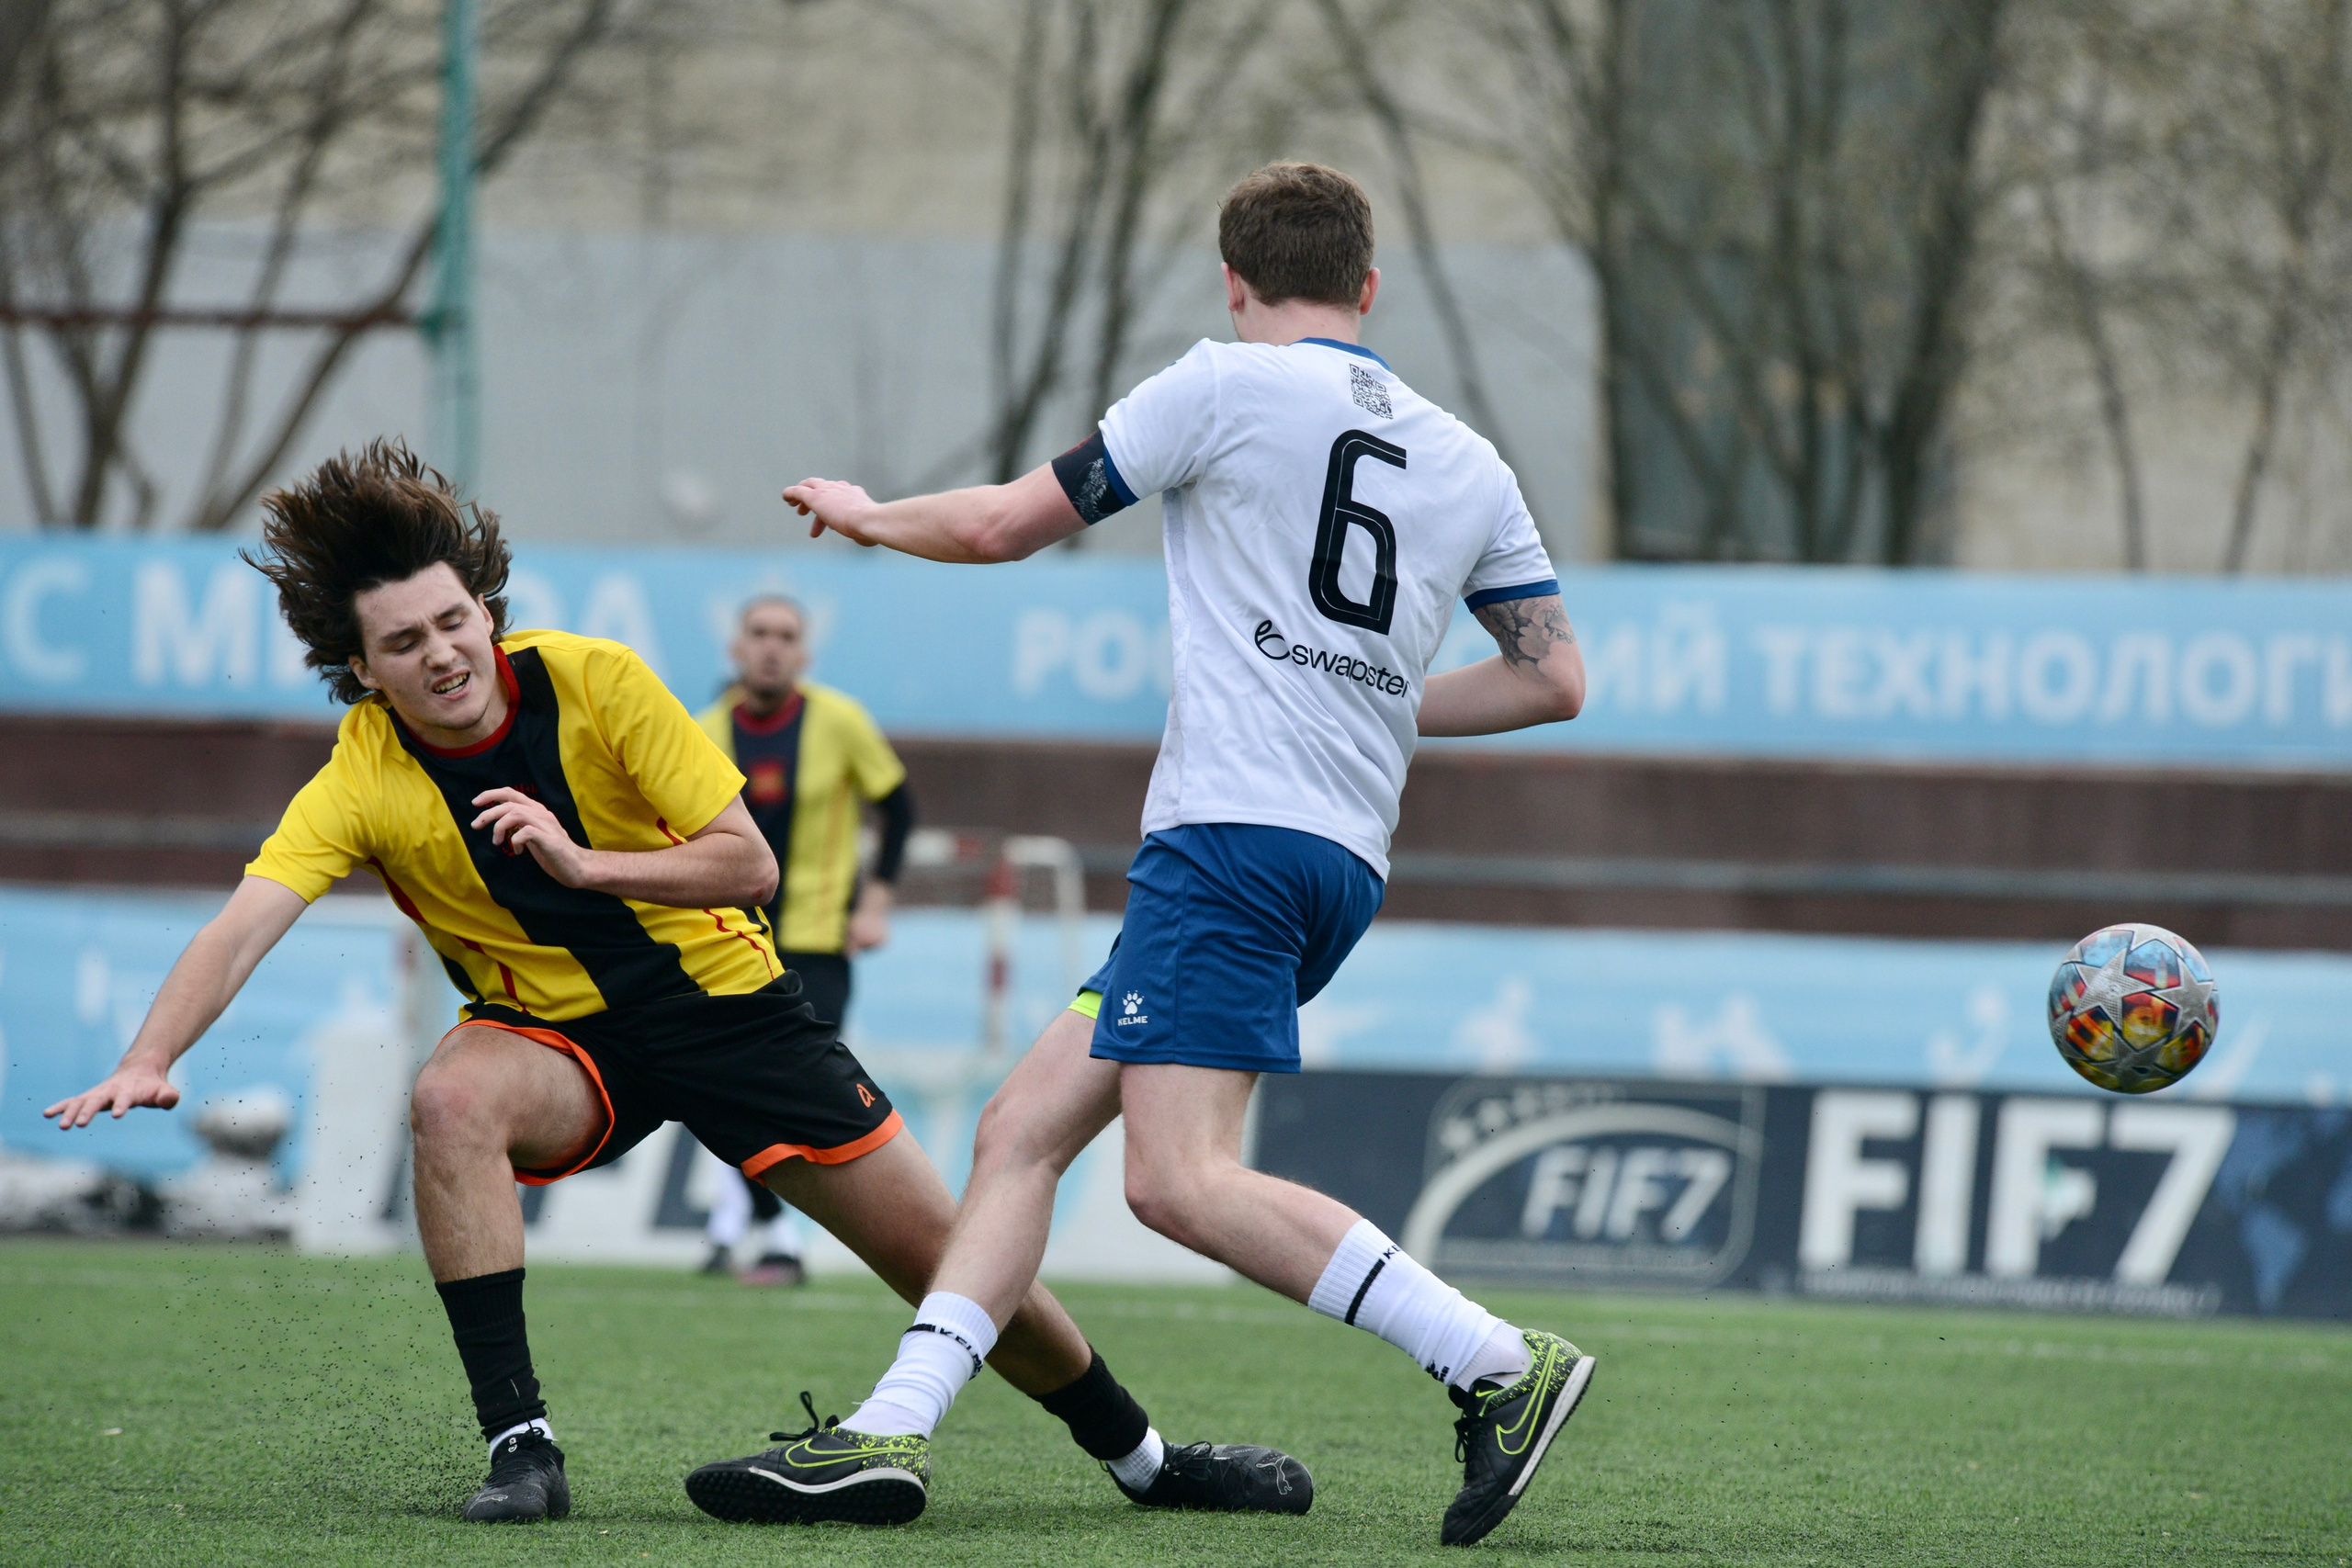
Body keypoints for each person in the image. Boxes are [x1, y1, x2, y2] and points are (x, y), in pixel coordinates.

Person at [42, 440, 1312, 1529]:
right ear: (358, 665)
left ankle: (1147, 1461)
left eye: (451, 620)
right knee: (448, 1100)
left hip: (727, 1008)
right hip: (551, 1041)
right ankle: (520, 1444)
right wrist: (154, 1052)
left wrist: (583, 860)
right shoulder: (361, 773)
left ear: (484, 602)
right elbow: (241, 924)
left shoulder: (596, 679)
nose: (440, 653)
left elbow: (745, 862)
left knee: (949, 1263)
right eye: (402, 643)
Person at [753, 163, 1594, 1548]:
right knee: (1022, 1129)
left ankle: (1501, 1362)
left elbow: (1002, 524)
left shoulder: (1217, 381)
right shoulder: (1468, 457)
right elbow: (1553, 678)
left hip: (1228, 841)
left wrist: (867, 510)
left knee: (1174, 1179)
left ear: (1233, 281)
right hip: (1336, 857)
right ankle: (890, 1427)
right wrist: (1374, 703)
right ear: (1369, 289)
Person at [689, 594, 914, 1286]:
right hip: (727, 941)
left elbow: (899, 807)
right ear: (736, 646)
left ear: (804, 652)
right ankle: (764, 1228)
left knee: (793, 1080)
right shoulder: (698, 731)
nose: (771, 646)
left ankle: (774, 1231)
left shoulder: (840, 720)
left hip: (817, 939)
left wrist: (874, 902)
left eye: (785, 635)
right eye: (759, 633)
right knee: (720, 1085)